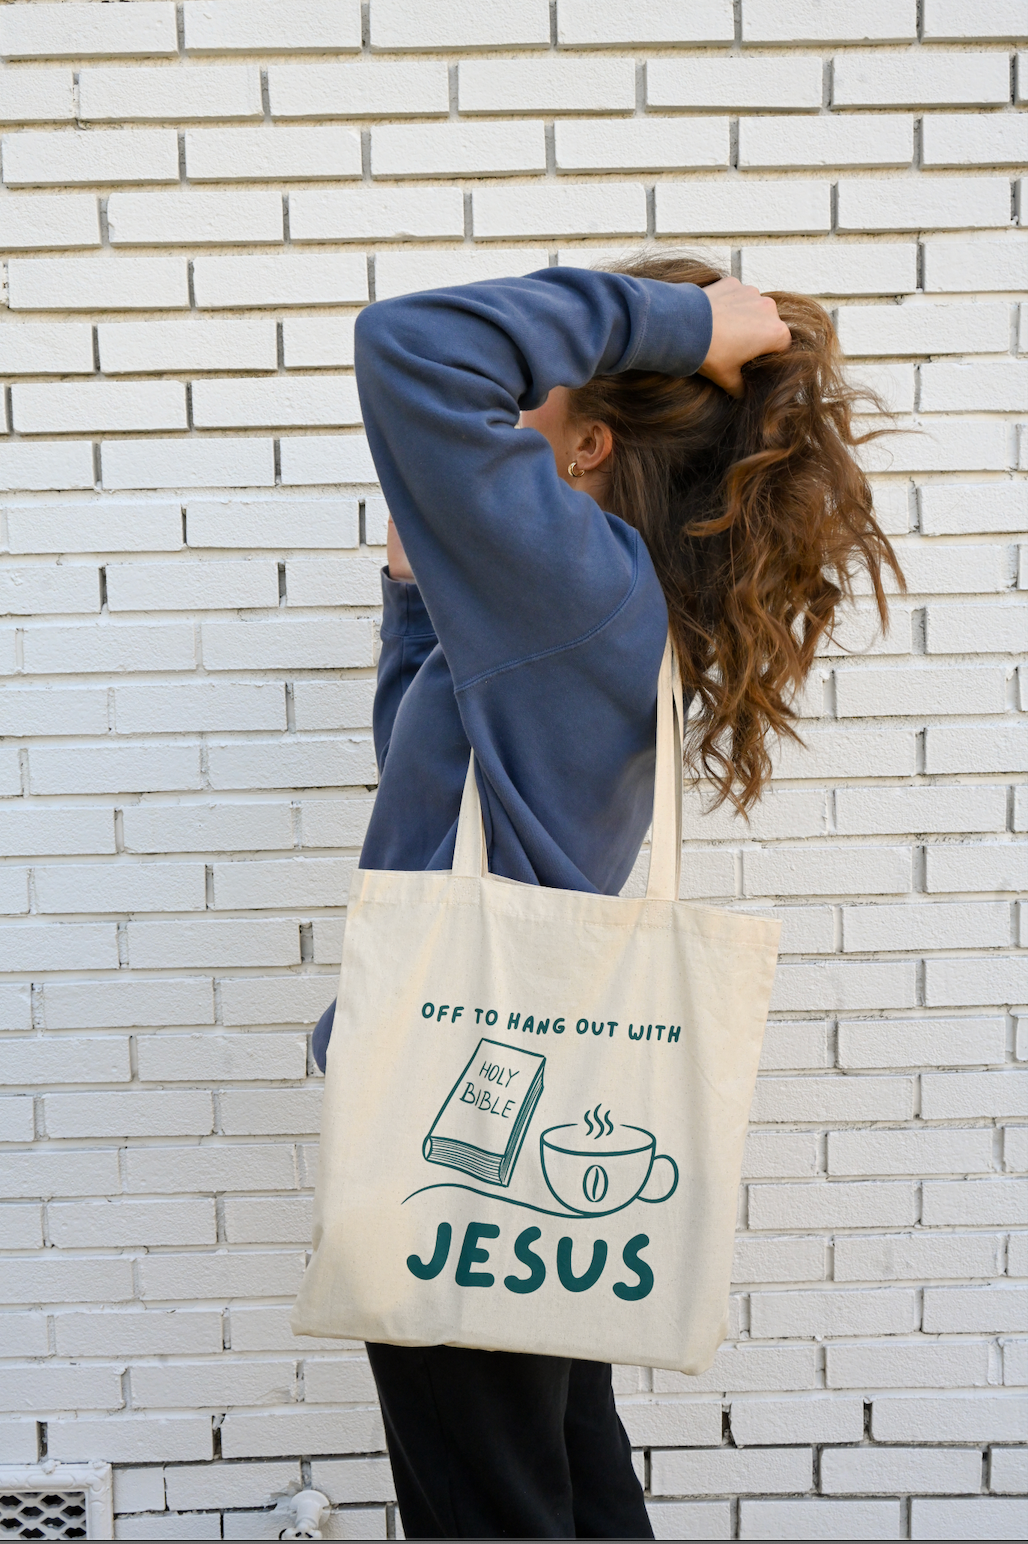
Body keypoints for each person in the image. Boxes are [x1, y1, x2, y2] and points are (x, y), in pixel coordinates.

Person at [309, 254, 902, 1538]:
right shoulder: (585, 603)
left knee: (486, 1500)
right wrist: (418, 611)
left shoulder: (576, 587)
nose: (505, 405)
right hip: (513, 1094)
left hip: (452, 1111)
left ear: (583, 446)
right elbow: (435, 793)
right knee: (561, 1468)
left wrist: (678, 324)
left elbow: (410, 343)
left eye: (537, 393)